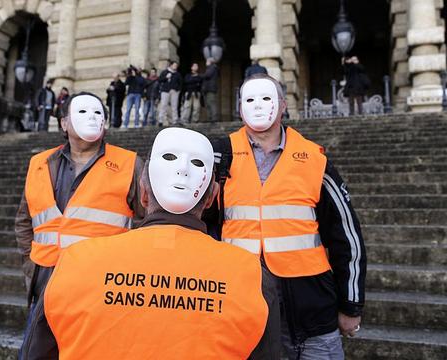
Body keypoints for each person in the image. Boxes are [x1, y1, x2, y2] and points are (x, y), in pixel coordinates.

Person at [25, 127, 269, 359]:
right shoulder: (251, 276)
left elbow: (36, 352)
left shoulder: (74, 262)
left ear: (143, 191)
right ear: (211, 199)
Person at [205, 73, 366, 360]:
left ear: (282, 106)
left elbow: (347, 236)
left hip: (310, 306)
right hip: (240, 303)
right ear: (239, 107)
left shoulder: (315, 161)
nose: (257, 106)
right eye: (249, 99)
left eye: (266, 98)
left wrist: (351, 304)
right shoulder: (218, 156)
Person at [15, 91, 145, 358]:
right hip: (47, 279)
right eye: (83, 112)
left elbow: (147, 220)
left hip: (101, 282)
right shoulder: (39, 163)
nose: (93, 118)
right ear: (64, 123)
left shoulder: (129, 163)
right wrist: (31, 261)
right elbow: (25, 218)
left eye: (99, 113)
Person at [158, 61, 182, 126]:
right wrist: (166, 77)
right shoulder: (165, 72)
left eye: (176, 66)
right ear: (171, 65)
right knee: (163, 105)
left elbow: (180, 83)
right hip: (165, 91)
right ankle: (161, 120)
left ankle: (175, 120)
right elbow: (159, 80)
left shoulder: (177, 74)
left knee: (174, 106)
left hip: (174, 91)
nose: (175, 67)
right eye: (174, 65)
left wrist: (178, 90)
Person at [202, 58, 219, 123]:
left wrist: (200, 76)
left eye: (207, 61)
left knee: (211, 103)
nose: (206, 62)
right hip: (208, 88)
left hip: (210, 88)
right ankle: (210, 118)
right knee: (208, 104)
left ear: (210, 62)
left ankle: (213, 118)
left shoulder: (212, 68)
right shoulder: (211, 68)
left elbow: (207, 75)